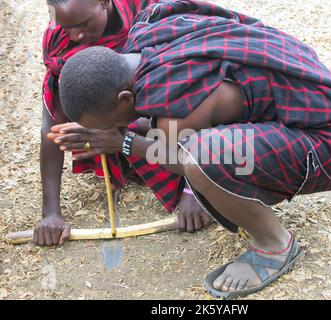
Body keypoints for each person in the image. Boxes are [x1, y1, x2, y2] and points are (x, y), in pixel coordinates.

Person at [56, 0, 331, 298]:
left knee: (201, 156)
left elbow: (178, 159)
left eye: (110, 121)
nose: (114, 127)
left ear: (125, 99)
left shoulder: (175, 101)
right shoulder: (153, 32)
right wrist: (124, 131)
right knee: (203, 145)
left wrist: (123, 142)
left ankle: (274, 245)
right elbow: (170, 121)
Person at [36, 0, 211, 247]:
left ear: (104, 2)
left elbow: (200, 95)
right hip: (126, 123)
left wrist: (195, 191)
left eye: (83, 24)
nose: (78, 35)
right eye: (68, 27)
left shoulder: (152, 14)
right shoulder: (60, 42)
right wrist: (51, 213)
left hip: (173, 124)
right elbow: (52, 124)